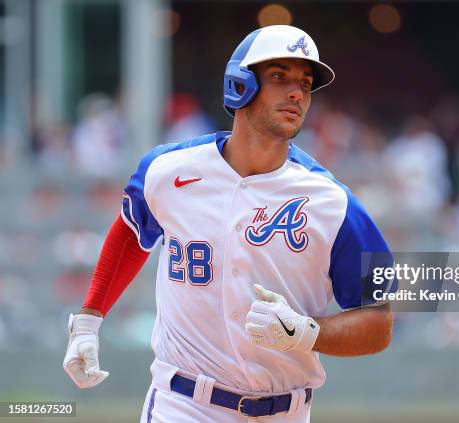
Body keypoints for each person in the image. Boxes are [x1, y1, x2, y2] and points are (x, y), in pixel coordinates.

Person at [63, 25, 395, 423]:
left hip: (285, 412)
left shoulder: (333, 204)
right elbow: (132, 232)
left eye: (305, 83)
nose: (296, 93)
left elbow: (379, 321)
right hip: (183, 404)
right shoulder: (168, 170)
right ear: (241, 83)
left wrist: (308, 332)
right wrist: (88, 319)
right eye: (279, 77)